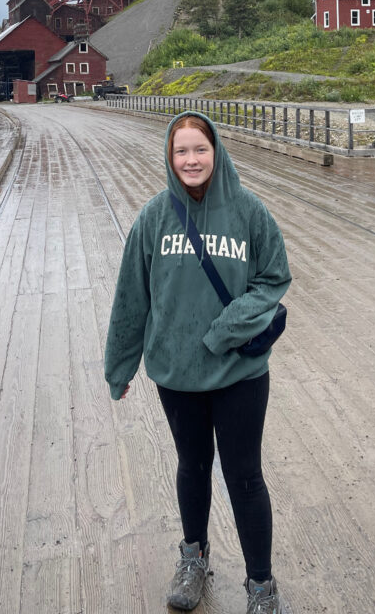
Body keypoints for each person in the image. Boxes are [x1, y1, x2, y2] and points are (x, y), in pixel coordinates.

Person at [104, 111, 291, 613]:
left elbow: (274, 279)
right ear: (170, 156)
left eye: (199, 149)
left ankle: (261, 586)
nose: (191, 159)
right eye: (181, 150)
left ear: (216, 152)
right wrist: (119, 366)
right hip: (176, 372)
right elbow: (131, 298)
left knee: (245, 476)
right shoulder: (153, 218)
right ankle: (194, 558)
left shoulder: (249, 212)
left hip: (238, 373)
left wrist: (227, 328)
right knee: (193, 465)